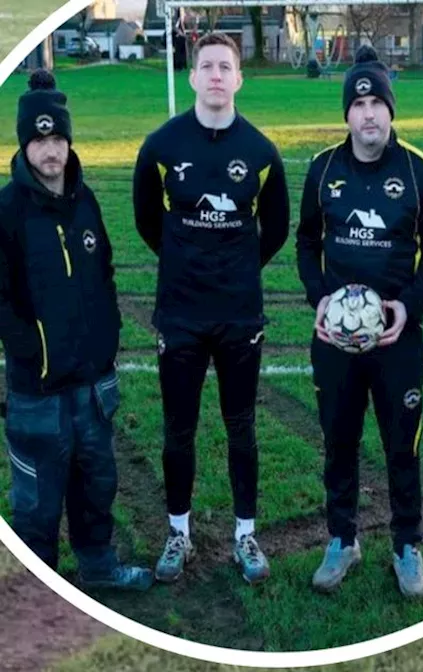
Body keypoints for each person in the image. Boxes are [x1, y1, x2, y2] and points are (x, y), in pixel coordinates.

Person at [131, 31, 290, 585]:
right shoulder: (160, 147)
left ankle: (247, 535)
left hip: (239, 315)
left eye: (226, 66)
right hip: (179, 314)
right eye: (207, 66)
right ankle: (179, 531)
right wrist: (185, 262)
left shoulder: (261, 152)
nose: (216, 75)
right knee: (179, 428)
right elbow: (148, 222)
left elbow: (278, 230)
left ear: (239, 78)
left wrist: (236, 269)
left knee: (241, 426)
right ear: (193, 77)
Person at [296, 45, 423, 599]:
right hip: (335, 340)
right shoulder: (322, 169)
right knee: (339, 442)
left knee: (401, 445)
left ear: (391, 111)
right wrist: (319, 299)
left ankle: (407, 544)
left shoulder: (419, 170)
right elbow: (307, 241)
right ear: (347, 114)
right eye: (358, 103)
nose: (368, 114)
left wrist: (407, 305)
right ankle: (343, 538)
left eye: (376, 102)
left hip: (396, 340)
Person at [0, 70, 153, 590]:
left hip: (91, 385)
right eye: (40, 139)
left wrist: (107, 339)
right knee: (37, 504)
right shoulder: (6, 211)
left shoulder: (84, 201)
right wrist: (32, 351)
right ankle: (41, 591)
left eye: (58, 138)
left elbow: (104, 272)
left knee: (96, 487)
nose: (51, 150)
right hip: (37, 392)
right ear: (25, 143)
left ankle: (99, 568)